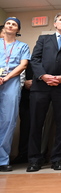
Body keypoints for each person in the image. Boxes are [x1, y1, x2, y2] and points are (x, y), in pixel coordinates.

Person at [26, 13, 61, 172]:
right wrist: (44, 76)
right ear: (55, 24)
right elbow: (35, 59)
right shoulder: (44, 39)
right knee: (36, 124)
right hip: (41, 86)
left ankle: (57, 159)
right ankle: (34, 159)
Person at [0, 17, 30, 172]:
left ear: (18, 30)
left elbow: (23, 64)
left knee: (8, 121)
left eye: (14, 24)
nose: (10, 26)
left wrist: (6, 77)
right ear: (4, 27)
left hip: (11, 83)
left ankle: (3, 160)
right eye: (8, 23)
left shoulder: (22, 46)